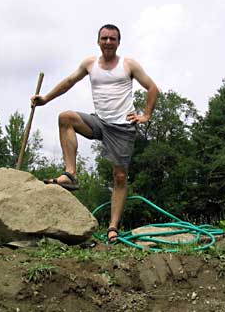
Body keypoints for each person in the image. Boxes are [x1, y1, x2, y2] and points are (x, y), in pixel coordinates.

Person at [31, 24, 159, 242]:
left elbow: (153, 88)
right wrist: (45, 99)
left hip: (122, 128)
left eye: (112, 39)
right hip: (99, 122)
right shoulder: (90, 64)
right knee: (66, 118)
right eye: (104, 38)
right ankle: (70, 174)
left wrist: (146, 115)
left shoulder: (128, 65)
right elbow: (69, 82)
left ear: (119, 42)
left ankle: (112, 228)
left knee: (119, 177)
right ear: (98, 41)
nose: (108, 42)